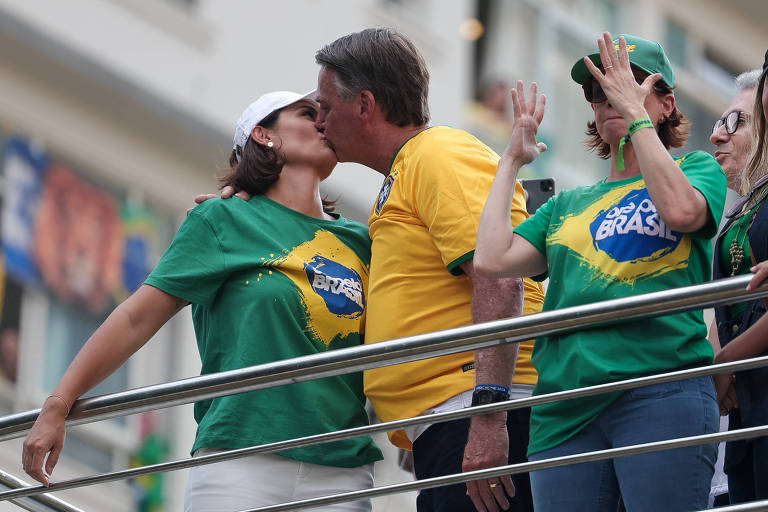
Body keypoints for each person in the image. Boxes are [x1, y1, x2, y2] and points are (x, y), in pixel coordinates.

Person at [21, 91, 383, 512]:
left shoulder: (365, 242)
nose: (323, 121)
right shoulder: (223, 219)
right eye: (307, 113)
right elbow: (137, 318)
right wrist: (58, 404)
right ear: (263, 135)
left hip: (342, 472)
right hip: (241, 459)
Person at [475, 33, 725, 511]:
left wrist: (636, 120)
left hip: (660, 390)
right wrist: (511, 161)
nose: (610, 93)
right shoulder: (569, 203)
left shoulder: (696, 168)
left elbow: (680, 212)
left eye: (627, 82)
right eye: (598, 89)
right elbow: (491, 260)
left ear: (667, 102)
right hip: (563, 408)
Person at [314, 28, 546, 512]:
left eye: (325, 105)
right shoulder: (411, 168)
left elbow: (500, 276)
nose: (318, 120)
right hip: (451, 420)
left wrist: (488, 412)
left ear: (364, 104)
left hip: (477, 410)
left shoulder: (439, 153)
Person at [711, 50, 768, 504]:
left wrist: (726, 360)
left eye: (737, 122)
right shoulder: (741, 210)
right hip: (748, 410)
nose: (717, 134)